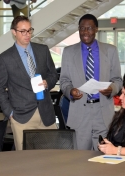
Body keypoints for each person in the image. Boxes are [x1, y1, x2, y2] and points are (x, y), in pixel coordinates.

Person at [0, 15, 58, 150]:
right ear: (14, 32)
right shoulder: (5, 58)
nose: (27, 34)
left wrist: (47, 83)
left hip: (46, 114)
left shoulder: (42, 50)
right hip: (21, 117)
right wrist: (10, 113)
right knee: (26, 162)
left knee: (51, 158)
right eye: (23, 31)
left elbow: (53, 74)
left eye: (29, 30)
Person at [60, 14, 122, 151]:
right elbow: (64, 80)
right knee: (80, 161)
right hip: (80, 113)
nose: (85, 32)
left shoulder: (110, 51)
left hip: (103, 112)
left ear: (96, 29)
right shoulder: (69, 52)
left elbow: (118, 79)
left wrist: (112, 89)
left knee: (104, 157)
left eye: (89, 28)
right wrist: (70, 91)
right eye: (82, 28)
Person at [98, 75, 125, 155]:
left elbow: (115, 149)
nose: (120, 97)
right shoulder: (120, 115)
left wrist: (116, 150)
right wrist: (106, 145)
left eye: (124, 94)